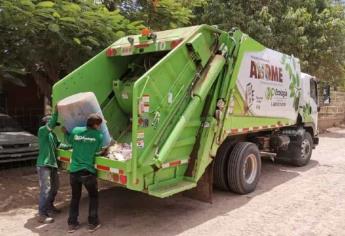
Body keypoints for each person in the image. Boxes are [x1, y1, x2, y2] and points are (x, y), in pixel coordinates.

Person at [62, 113, 104, 233]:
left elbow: (70, 141)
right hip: (87, 172)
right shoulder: (98, 136)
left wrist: (65, 132)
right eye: (99, 125)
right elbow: (97, 151)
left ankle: (72, 224)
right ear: (95, 125)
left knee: (75, 197)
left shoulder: (76, 130)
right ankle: (93, 223)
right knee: (93, 196)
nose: (99, 127)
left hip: (74, 171)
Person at [36, 108, 61, 224]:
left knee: (55, 187)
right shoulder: (42, 131)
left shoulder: (53, 135)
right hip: (44, 164)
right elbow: (51, 124)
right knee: (45, 190)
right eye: (53, 124)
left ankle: (49, 206)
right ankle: (42, 214)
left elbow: (60, 145)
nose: (55, 126)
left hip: (52, 165)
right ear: (47, 123)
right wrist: (56, 111)